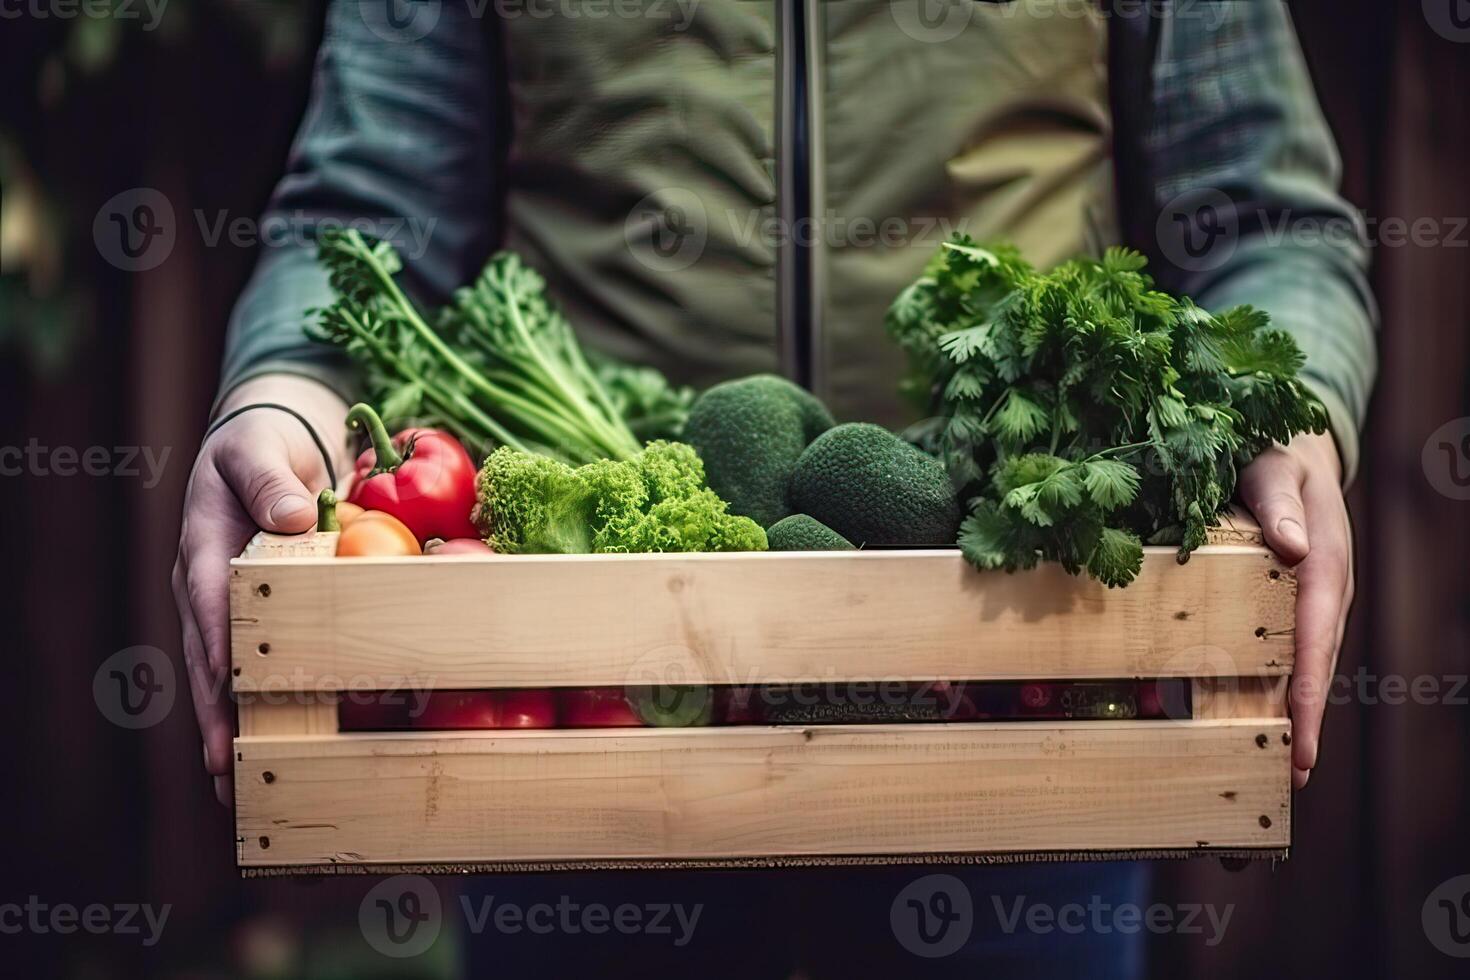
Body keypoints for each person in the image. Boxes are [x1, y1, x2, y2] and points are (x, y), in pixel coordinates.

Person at [173, 2, 1374, 975]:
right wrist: (280, 393)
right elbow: (367, 210)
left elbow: (1261, 215)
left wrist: (1299, 403)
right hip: (590, 699)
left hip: (1019, 660)